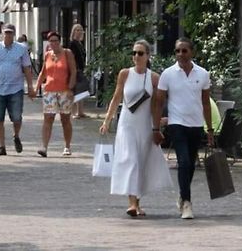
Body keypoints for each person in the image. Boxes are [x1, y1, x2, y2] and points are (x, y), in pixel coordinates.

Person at [100, 39, 173, 217]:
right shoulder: (124, 74)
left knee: (140, 163)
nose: (136, 56)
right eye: (134, 53)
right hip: (126, 123)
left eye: (140, 53)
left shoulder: (154, 78)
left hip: (144, 125)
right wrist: (107, 120)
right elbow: (116, 98)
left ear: (148, 56)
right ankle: (132, 203)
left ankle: (137, 203)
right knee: (130, 160)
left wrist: (158, 125)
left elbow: (157, 104)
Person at [153, 37, 213, 220]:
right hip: (176, 123)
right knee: (184, 162)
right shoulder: (168, 74)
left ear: (191, 52)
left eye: (184, 50)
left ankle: (182, 194)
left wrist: (210, 129)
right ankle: (187, 203)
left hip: (195, 125)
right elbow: (158, 102)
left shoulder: (202, 74)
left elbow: (206, 102)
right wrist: (156, 128)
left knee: (191, 164)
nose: (180, 54)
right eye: (177, 51)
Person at [0, 23, 36, 156]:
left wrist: (30, 86)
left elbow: (26, 68)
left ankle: (16, 135)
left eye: (10, 32)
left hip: (16, 88)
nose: (8, 35)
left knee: (17, 117)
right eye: (6, 32)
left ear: (14, 34)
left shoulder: (21, 49)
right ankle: (2, 146)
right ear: (2, 33)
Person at [35, 31, 77, 157]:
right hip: (49, 90)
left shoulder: (67, 53)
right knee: (48, 118)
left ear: (60, 41)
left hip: (64, 90)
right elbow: (43, 73)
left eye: (55, 41)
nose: (53, 43)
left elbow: (73, 71)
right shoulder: (48, 54)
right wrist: (35, 88)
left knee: (65, 119)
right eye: (51, 41)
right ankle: (44, 147)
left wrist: (70, 88)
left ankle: (67, 146)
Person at [69, 23, 89, 118]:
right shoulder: (72, 43)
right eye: (77, 30)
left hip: (81, 69)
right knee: (74, 91)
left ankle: (80, 111)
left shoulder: (80, 43)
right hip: (75, 70)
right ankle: (73, 112)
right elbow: (71, 57)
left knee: (81, 90)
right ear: (73, 32)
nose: (79, 32)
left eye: (81, 30)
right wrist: (74, 69)